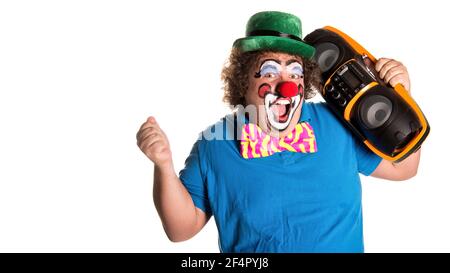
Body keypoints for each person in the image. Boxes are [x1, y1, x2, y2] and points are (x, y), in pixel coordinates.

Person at [136, 11, 421, 252]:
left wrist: (402, 97)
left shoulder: (336, 122)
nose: (285, 86)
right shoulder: (215, 143)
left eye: (295, 74)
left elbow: (404, 167)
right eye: (270, 73)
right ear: (242, 81)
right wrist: (163, 166)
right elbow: (180, 229)